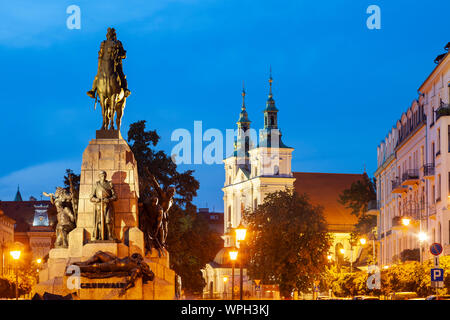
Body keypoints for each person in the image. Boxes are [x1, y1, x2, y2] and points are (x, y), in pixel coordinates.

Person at [90, 171, 117, 240]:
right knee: (99, 221)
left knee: (108, 220)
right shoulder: (96, 185)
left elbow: (115, 196)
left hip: (108, 205)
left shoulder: (110, 184)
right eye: (102, 175)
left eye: (104, 175)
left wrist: (109, 199)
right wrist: (96, 199)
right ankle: (99, 235)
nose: (103, 176)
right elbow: (91, 197)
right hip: (99, 205)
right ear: (99, 176)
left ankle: (110, 235)